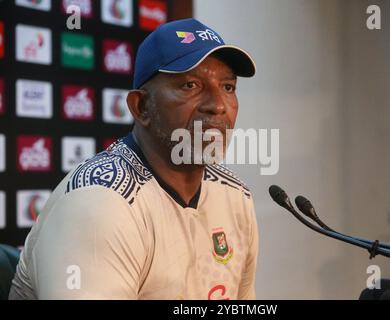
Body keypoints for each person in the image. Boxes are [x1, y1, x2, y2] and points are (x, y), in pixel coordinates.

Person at [9, 18, 259, 300]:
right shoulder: (99, 203)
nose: (217, 105)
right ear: (141, 107)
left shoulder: (236, 197)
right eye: (190, 85)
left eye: (228, 87)